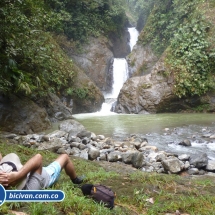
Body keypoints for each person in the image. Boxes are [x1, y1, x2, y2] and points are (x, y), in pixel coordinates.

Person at [0, 152, 84, 190]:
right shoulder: (29, 191)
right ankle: (75, 180)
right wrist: (18, 175)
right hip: (45, 174)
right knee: (65, 157)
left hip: (33, 170)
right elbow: (38, 157)